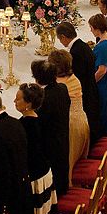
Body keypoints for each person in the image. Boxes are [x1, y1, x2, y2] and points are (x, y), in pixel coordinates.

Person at [14, 84, 57, 214]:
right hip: (44, 173)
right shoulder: (39, 120)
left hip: (35, 177)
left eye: (18, 99)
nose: (14, 102)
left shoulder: (23, 127)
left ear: (28, 103)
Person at [47, 49, 89, 181]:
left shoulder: (60, 85)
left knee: (68, 162)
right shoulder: (73, 78)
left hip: (70, 126)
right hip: (82, 120)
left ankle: (68, 187)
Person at [30, 60, 70, 196]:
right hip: (62, 137)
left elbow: (38, 122)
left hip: (50, 144)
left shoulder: (44, 99)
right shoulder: (63, 89)